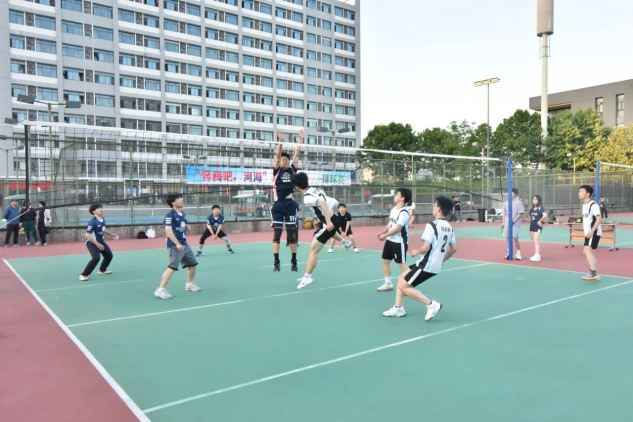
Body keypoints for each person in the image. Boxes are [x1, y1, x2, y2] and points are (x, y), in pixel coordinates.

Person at [382, 196, 457, 321]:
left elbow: (425, 247)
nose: (433, 207)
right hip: (433, 264)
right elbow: (454, 249)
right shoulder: (449, 227)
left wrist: (416, 252)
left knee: (404, 286)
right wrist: (442, 260)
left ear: (439, 209)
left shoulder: (432, 225)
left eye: (435, 205)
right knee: (402, 277)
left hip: (427, 264)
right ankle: (398, 308)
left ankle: (431, 305)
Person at [291, 172, 352, 289]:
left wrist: (327, 222)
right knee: (327, 233)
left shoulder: (307, 198)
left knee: (313, 251)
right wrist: (319, 219)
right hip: (333, 216)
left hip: (329, 220)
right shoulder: (314, 189)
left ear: (297, 187)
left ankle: (307, 278)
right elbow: (325, 203)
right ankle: (345, 242)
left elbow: (323, 204)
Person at [155, 194, 200, 299]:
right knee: (172, 267)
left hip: (184, 244)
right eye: (179, 199)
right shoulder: (170, 215)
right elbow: (168, 231)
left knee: (192, 263)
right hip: (175, 246)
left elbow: (181, 225)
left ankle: (189, 284)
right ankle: (160, 290)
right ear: (173, 203)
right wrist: (177, 243)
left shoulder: (182, 214)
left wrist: (186, 227)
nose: (182, 200)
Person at [271, 129, 303, 273]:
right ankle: (276, 261)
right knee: (277, 234)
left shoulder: (292, 170)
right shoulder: (277, 170)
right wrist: (281, 141)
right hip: (278, 205)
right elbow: (278, 155)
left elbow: (296, 154)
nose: (284, 160)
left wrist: (300, 140)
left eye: (286, 160)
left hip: (290, 205)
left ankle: (294, 260)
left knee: (291, 235)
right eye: (282, 159)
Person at [376, 188, 412, 292]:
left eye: (397, 194)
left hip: (399, 242)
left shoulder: (404, 212)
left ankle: (410, 284)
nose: (395, 196)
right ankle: (388, 283)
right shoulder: (394, 209)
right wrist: (382, 232)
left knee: (401, 264)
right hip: (390, 240)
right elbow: (390, 223)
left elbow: (398, 228)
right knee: (385, 261)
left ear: (402, 198)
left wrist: (385, 235)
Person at [79, 204, 119, 281]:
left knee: (109, 255)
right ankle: (84, 275)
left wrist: (112, 234)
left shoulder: (102, 219)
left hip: (101, 242)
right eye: (98, 209)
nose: (101, 210)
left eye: (101, 208)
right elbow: (87, 235)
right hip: (92, 243)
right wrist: (97, 244)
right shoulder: (92, 222)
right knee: (96, 258)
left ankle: (102, 270)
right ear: (94, 212)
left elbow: (103, 229)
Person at [579, 185, 602, 281]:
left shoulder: (593, 205)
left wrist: (592, 231)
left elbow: (599, 218)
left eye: (582, 191)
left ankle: (593, 272)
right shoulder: (585, 205)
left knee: (587, 250)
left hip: (593, 232)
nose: (579, 193)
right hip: (589, 233)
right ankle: (594, 272)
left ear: (588, 194)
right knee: (589, 251)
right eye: (579, 191)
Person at [501, 188, 524, 260]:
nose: (509, 194)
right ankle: (510, 253)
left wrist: (514, 220)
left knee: (515, 238)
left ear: (515, 194)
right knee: (508, 238)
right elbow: (504, 214)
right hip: (507, 223)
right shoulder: (505, 203)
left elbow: (520, 213)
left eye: (511, 192)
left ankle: (518, 253)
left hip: (515, 223)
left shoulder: (518, 203)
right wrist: (503, 222)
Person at [528, 195, 548, 262]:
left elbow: (545, 215)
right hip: (532, 226)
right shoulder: (532, 209)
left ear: (538, 200)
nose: (534, 200)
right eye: (533, 199)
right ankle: (536, 254)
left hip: (537, 227)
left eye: (536, 199)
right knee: (533, 242)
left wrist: (540, 221)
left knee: (535, 241)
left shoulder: (540, 208)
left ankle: (537, 255)